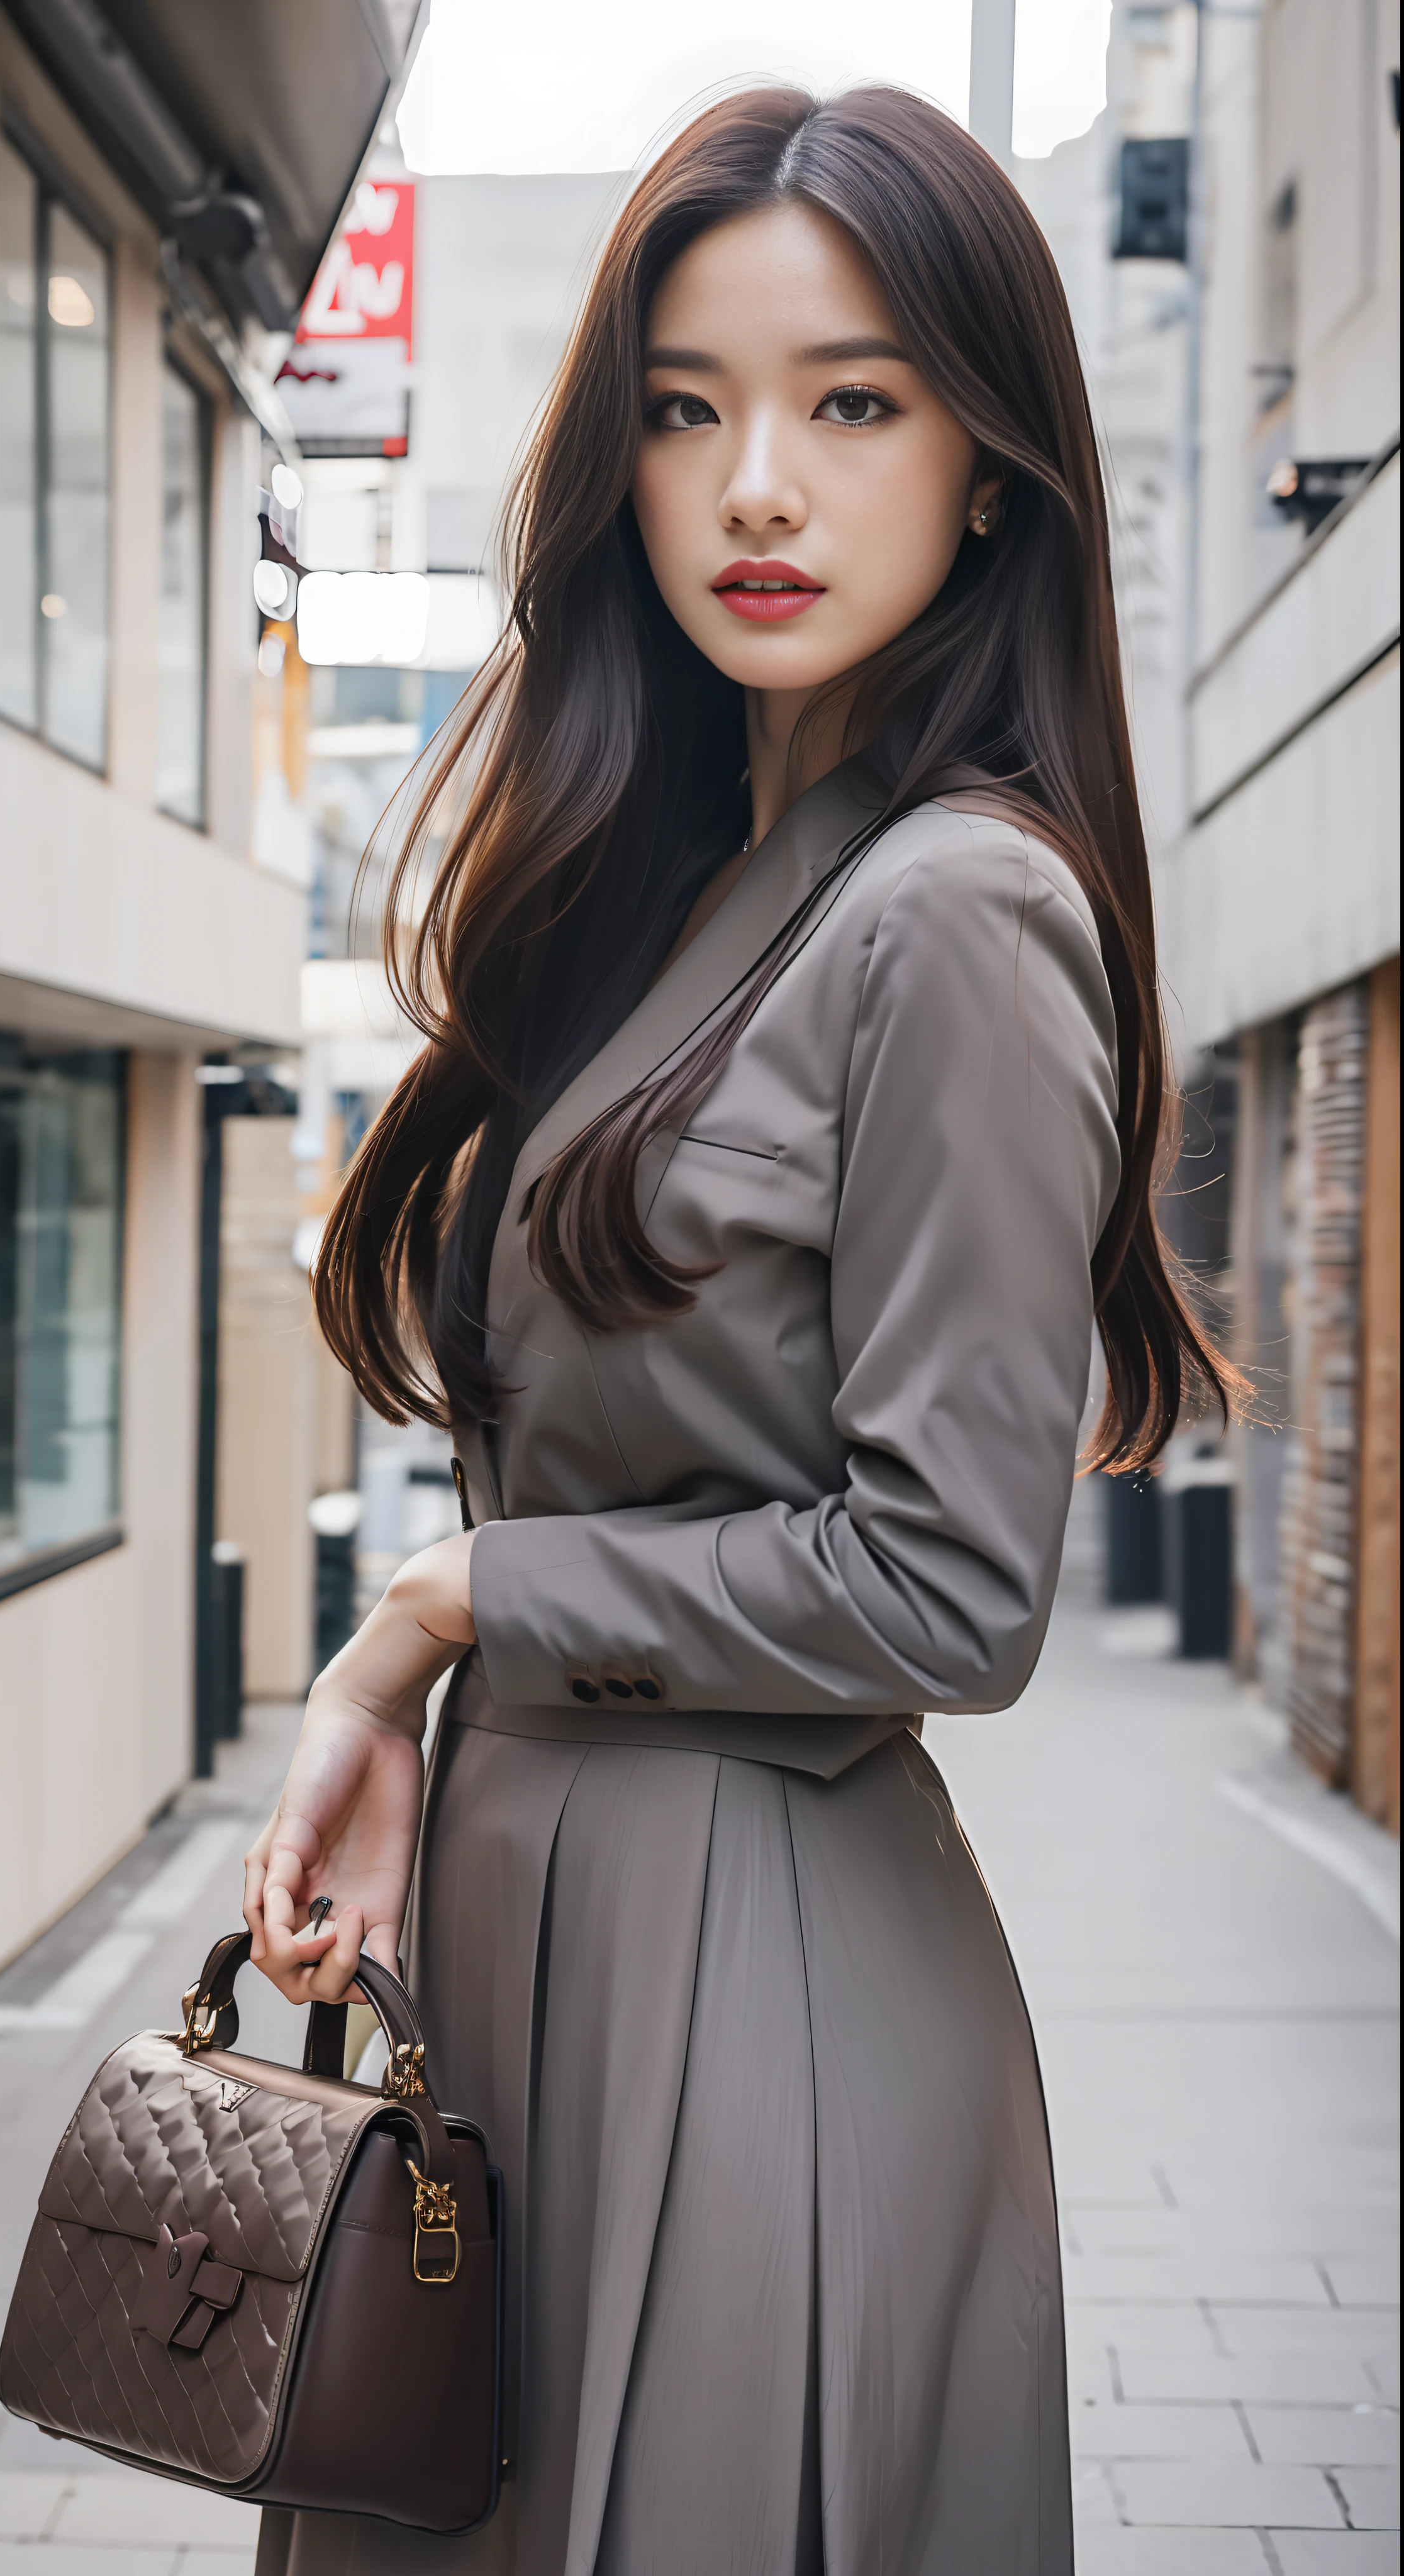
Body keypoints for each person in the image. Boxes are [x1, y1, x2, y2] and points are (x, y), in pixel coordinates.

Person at [244, 84, 1231, 2576]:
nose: (756, 485)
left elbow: (946, 1590)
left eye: (852, 400)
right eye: (683, 409)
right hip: (552, 1958)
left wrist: (457, 1601)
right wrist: (399, 1719)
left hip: (757, 1998)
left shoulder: (958, 917)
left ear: (993, 465)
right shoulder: (709, 890)